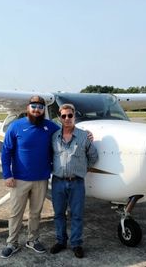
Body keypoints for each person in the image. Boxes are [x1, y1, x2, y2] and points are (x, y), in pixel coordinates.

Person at [0, 95, 60, 259]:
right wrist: (7, 174)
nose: (37, 110)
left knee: (35, 213)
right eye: (33, 106)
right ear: (28, 108)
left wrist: (87, 135)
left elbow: (67, 134)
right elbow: (6, 152)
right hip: (19, 179)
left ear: (43, 110)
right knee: (15, 213)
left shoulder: (50, 127)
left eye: (40, 107)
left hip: (41, 179)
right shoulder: (16, 126)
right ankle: (12, 243)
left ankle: (32, 240)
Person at [50, 103, 98, 258]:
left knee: (76, 215)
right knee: (58, 214)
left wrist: (83, 169)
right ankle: (61, 241)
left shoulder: (84, 136)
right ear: (59, 118)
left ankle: (76, 244)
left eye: (70, 115)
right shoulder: (54, 137)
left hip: (76, 182)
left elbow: (93, 157)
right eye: (63, 116)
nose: (67, 118)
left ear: (74, 116)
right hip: (58, 181)